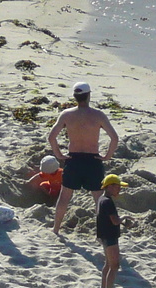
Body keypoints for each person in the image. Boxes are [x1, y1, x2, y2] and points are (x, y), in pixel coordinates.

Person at [48, 81, 120, 232]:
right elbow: (114, 138)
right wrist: (107, 156)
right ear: (88, 96)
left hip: (73, 159)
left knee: (65, 196)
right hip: (92, 160)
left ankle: (55, 228)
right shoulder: (98, 115)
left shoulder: (66, 114)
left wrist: (59, 154)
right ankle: (102, 232)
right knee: (99, 199)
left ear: (75, 96)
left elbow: (51, 137)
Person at [96, 175, 125, 288]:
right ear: (110, 186)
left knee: (107, 265)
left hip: (103, 236)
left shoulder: (101, 199)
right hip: (110, 237)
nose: (119, 190)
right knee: (114, 266)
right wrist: (124, 218)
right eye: (118, 187)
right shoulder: (108, 201)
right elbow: (114, 221)